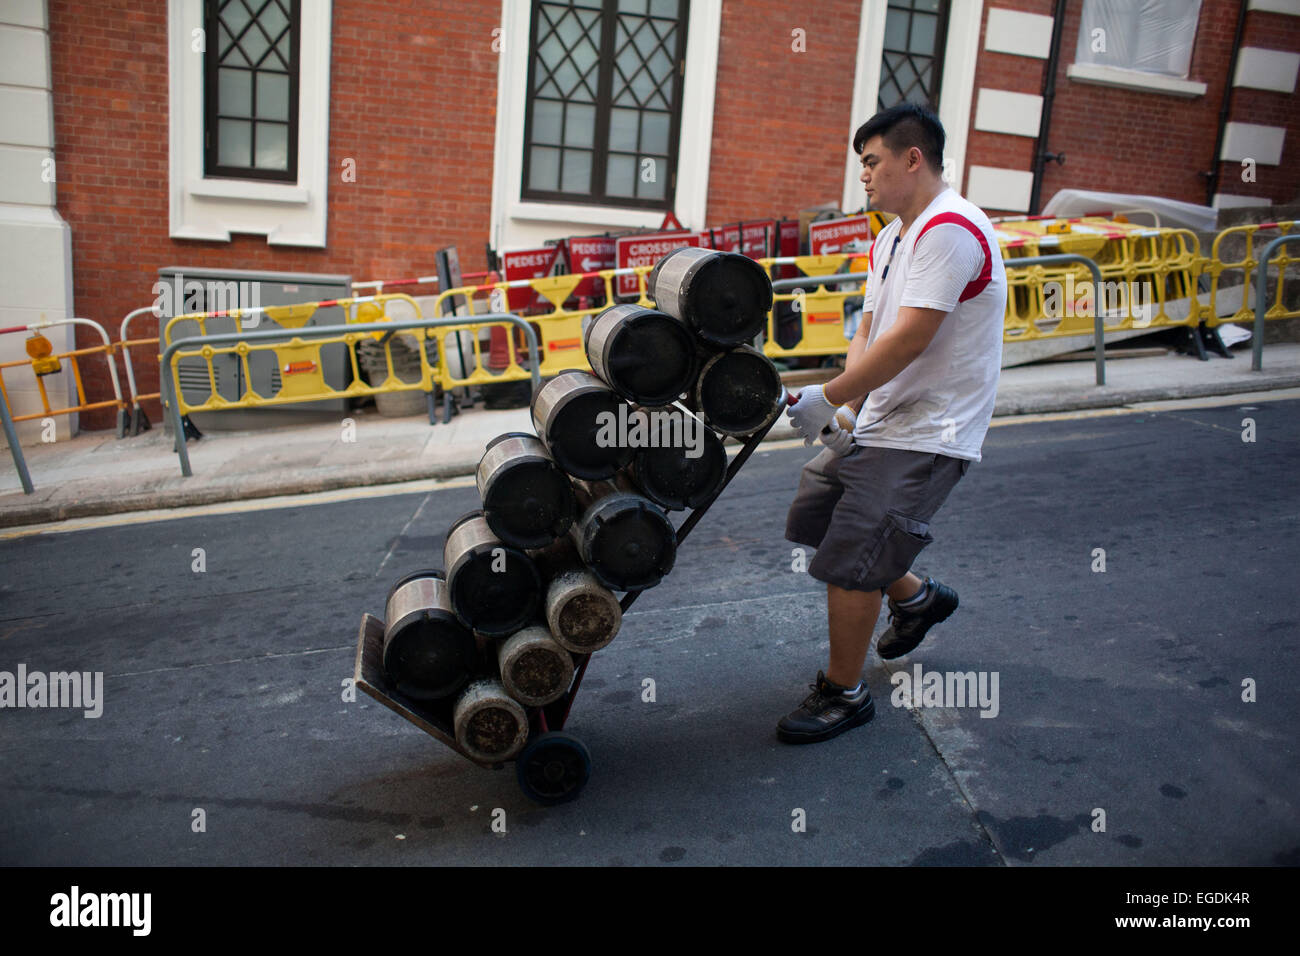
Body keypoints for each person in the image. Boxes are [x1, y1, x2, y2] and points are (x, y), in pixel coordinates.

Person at [778, 102, 1007, 744]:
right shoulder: (891, 237)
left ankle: (843, 694)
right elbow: (871, 331)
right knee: (816, 515)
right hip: (883, 418)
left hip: (931, 430)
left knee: (853, 554)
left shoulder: (951, 230)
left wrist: (826, 394)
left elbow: (909, 339)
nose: (864, 178)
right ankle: (916, 598)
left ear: (913, 158)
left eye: (871, 163)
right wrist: (845, 407)